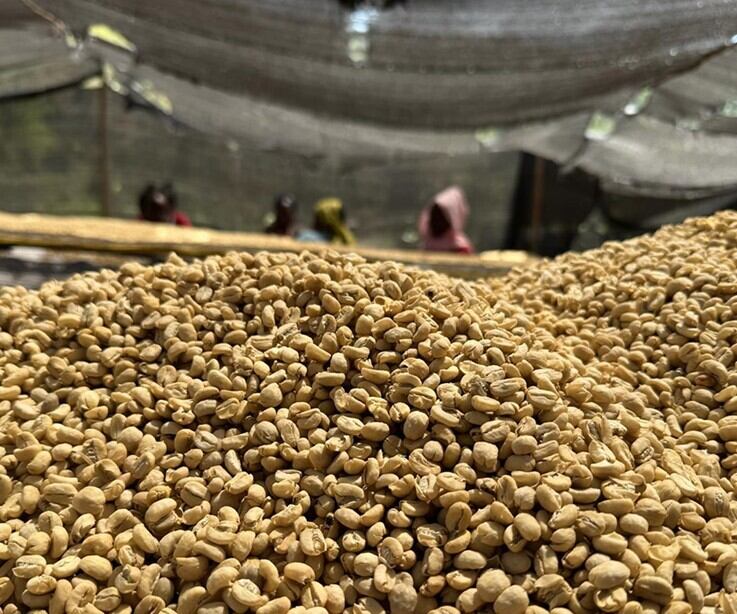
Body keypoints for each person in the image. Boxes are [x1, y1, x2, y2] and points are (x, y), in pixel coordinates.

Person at [418, 186, 474, 254]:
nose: (437, 221)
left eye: (441, 216)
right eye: (435, 215)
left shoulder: (461, 248)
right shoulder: (426, 246)